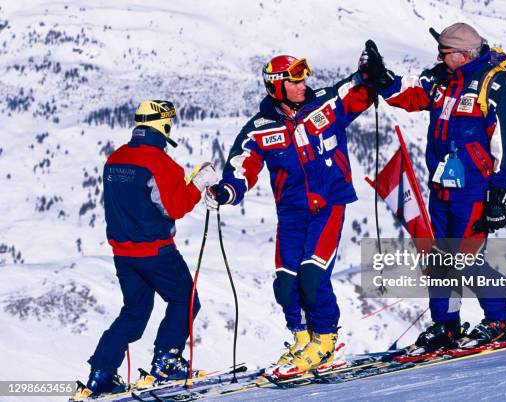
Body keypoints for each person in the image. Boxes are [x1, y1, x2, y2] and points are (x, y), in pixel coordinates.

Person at [205, 55, 376, 377]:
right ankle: (302, 339)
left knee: (312, 277)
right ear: (276, 86)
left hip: (329, 205)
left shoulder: (327, 104)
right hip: (293, 213)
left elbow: (359, 92)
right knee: (285, 283)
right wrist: (227, 190)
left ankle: (325, 342)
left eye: (303, 80)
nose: (302, 86)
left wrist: (368, 73)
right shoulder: (259, 129)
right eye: (294, 81)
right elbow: (242, 166)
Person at [360, 23, 506, 352]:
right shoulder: (441, 79)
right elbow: (409, 95)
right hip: (442, 185)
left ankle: (501, 319)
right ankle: (446, 325)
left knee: (466, 259)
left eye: (445, 53)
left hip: (474, 190)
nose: (438, 56)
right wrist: (382, 78)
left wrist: (499, 196)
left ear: (464, 55)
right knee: (439, 259)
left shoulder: (494, 85)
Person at [82, 100, 218, 397]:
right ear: (164, 125)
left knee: (134, 312)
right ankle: (166, 361)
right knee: (186, 300)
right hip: (156, 252)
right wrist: (198, 183)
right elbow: (176, 206)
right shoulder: (160, 162)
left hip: (123, 254)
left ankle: (101, 373)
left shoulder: (115, 159)